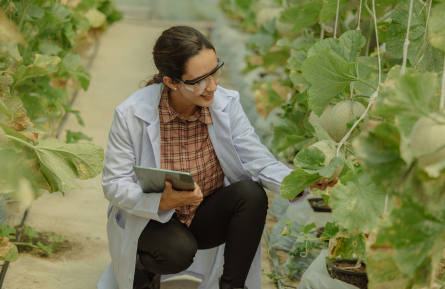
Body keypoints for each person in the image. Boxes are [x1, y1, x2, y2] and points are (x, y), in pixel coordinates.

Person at [97, 26, 337, 289]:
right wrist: (160, 200)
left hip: (203, 214)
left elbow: (258, 160)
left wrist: (300, 180)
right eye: (199, 80)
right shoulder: (132, 113)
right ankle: (145, 269)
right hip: (153, 217)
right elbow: (114, 182)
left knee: (251, 194)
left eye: (215, 72)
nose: (212, 86)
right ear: (171, 82)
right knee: (176, 252)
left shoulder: (226, 104)